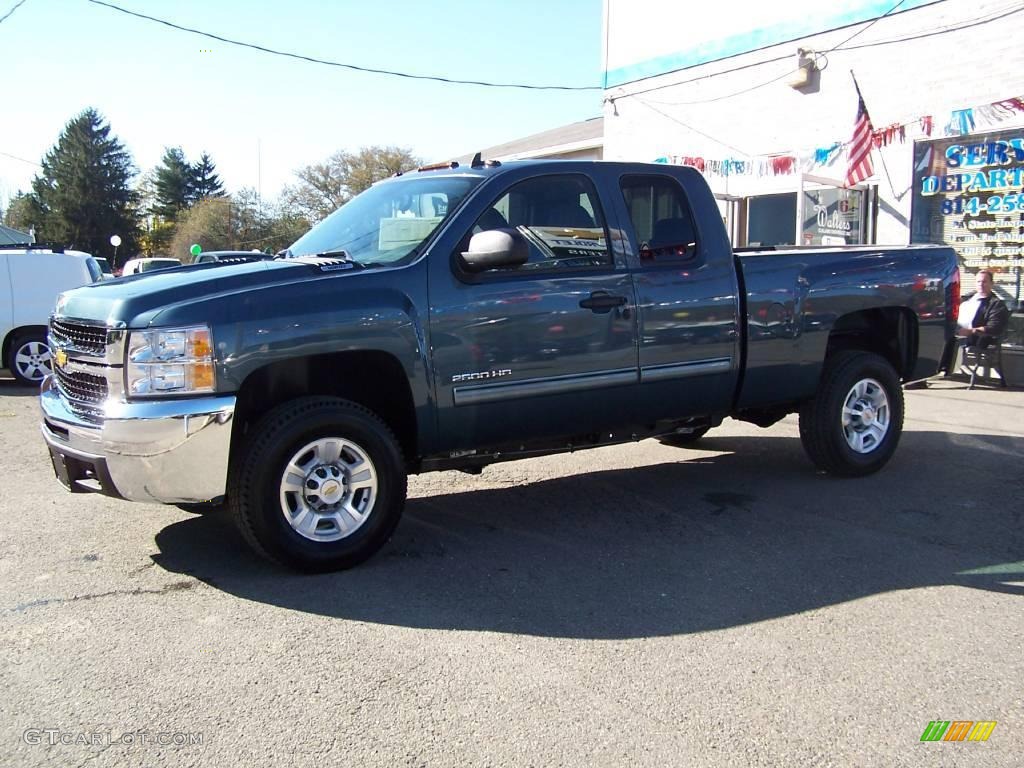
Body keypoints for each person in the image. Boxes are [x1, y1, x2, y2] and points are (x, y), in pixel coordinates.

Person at [957, 269, 1010, 347]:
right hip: (954, 334)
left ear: (991, 284)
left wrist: (971, 331)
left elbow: (994, 327)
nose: (981, 284)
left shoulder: (996, 304)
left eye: (984, 282)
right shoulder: (966, 298)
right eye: (978, 282)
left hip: (973, 340)